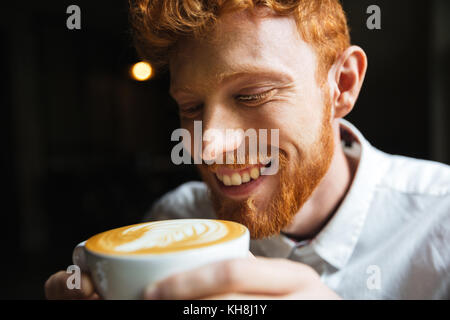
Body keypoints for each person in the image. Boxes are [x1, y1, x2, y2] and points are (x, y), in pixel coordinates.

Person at [45, 0, 450, 300]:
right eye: (191, 107)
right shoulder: (175, 221)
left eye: (252, 95)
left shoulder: (440, 224)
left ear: (341, 86)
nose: (207, 146)